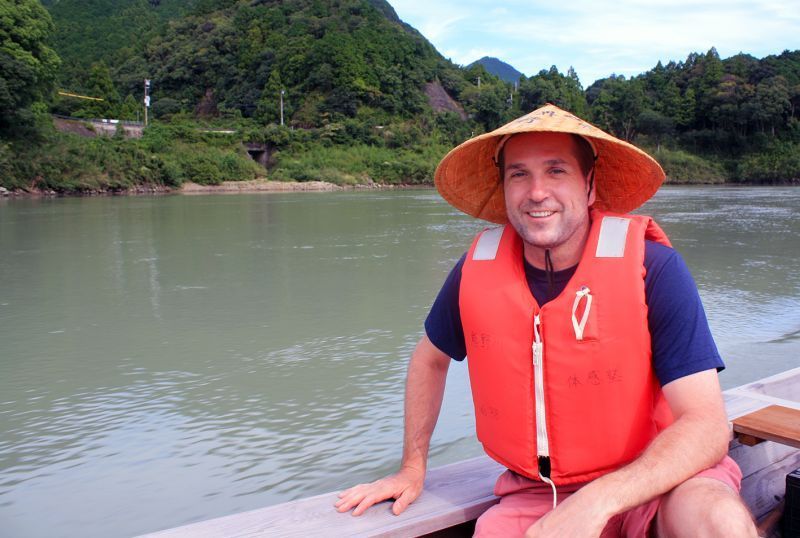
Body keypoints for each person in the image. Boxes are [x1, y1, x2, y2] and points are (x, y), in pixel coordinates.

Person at [335, 104, 758, 537]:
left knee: (716, 520)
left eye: (556, 171)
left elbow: (706, 426)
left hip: (658, 476)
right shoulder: (475, 271)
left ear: (589, 185)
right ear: (504, 188)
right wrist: (412, 467)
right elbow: (429, 360)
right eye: (519, 174)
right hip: (540, 492)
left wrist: (598, 500)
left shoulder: (655, 268)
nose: (537, 192)